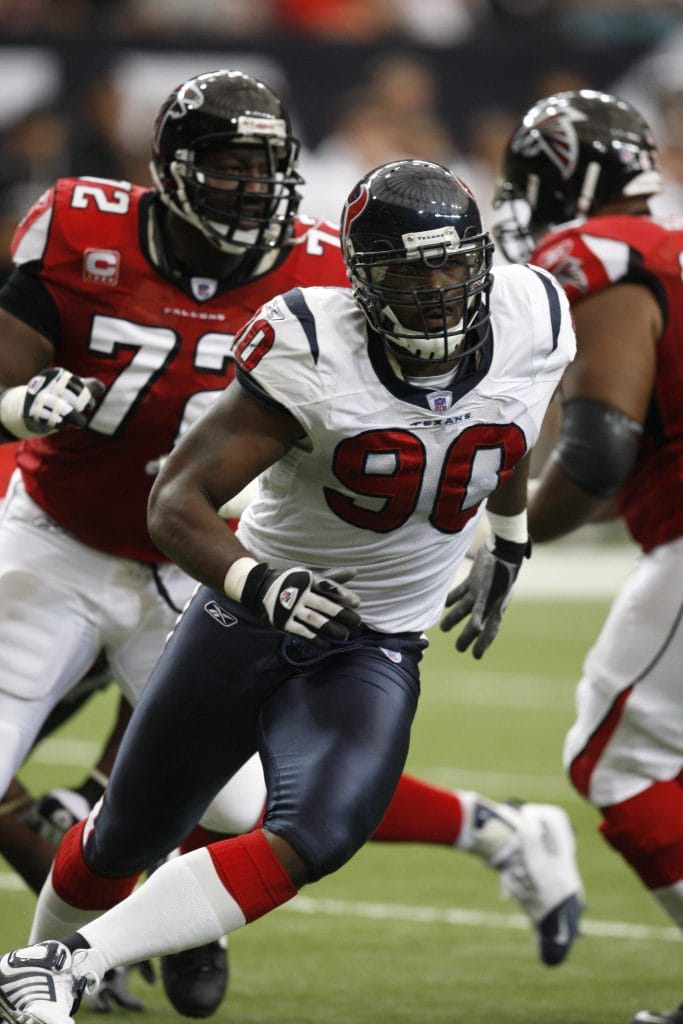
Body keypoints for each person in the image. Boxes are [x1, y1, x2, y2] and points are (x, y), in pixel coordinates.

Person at [0, 68, 581, 1015]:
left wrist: (507, 537)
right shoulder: (312, 338)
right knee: (126, 835)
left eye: (449, 269)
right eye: (406, 276)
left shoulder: (534, 314)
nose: (434, 295)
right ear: (359, 283)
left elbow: (508, 418)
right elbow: (177, 499)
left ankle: (62, 965)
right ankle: (49, 968)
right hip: (203, 589)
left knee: (315, 830)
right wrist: (260, 585)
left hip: (368, 629)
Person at [493, 88, 683, 1024]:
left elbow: (599, 450)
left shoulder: (598, 252)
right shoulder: (669, 241)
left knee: (617, 760)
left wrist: (511, 536)